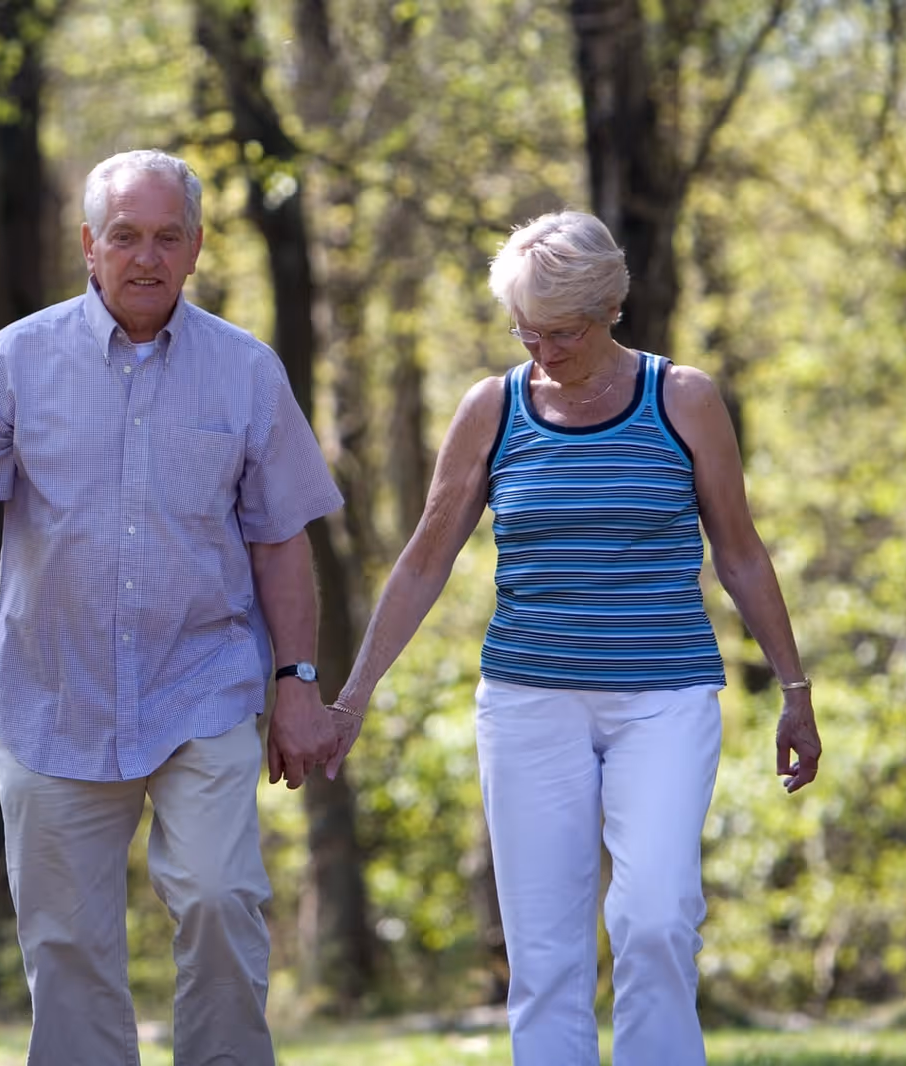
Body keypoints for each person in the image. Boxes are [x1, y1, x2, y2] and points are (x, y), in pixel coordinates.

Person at [318, 210, 823, 1065]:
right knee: (547, 954)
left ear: (611, 308)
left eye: (564, 332)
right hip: (529, 705)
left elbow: (738, 552)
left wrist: (795, 691)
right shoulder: (494, 409)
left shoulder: (683, 399)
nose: (543, 350)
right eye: (527, 330)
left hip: (664, 699)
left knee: (657, 918)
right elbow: (424, 560)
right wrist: (353, 697)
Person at [0, 149, 345, 1065]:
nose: (145, 257)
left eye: (166, 237)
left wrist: (298, 684)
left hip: (203, 686)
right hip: (54, 696)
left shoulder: (246, 371)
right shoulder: (13, 362)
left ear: (195, 248)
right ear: (89, 244)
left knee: (222, 898)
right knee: (68, 950)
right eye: (124, 236)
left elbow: (280, 539)